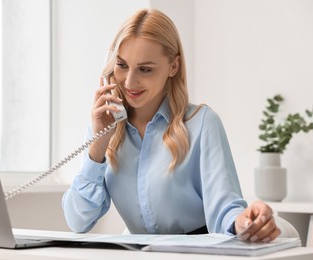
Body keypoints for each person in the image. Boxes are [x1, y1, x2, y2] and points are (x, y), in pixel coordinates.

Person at [62, 9, 280, 242]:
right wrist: (97, 148)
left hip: (198, 254)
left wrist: (246, 221)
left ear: (173, 66)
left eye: (145, 69)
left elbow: (225, 208)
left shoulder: (201, 124)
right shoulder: (106, 126)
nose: (129, 81)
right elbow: (78, 221)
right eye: (122, 65)